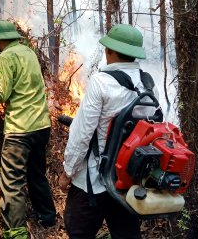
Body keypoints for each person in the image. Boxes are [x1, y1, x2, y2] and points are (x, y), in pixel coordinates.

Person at [59, 24, 158, 239]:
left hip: (93, 181)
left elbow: (82, 134)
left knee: (78, 232)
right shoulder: (148, 85)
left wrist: (68, 171)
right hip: (128, 180)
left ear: (109, 51)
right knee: (126, 234)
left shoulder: (101, 82)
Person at [0, 20, 56, 239]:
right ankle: (47, 217)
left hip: (19, 130)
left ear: (0, 40)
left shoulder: (5, 57)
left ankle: (16, 232)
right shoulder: (29, 53)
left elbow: (1, 94)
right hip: (42, 126)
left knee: (12, 181)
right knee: (36, 175)